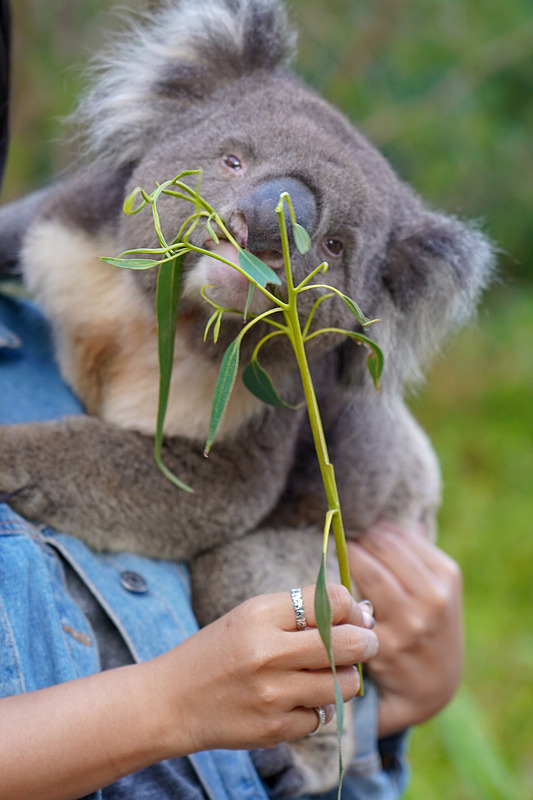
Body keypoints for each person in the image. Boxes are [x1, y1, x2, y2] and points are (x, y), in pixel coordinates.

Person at [0, 2, 463, 797]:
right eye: (235, 164)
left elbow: (212, 495)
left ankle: (313, 753)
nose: (264, 224)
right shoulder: (86, 221)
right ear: (169, 117)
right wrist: (166, 704)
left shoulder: (280, 376)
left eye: (338, 246)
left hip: (308, 527)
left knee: (246, 575)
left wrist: (384, 712)